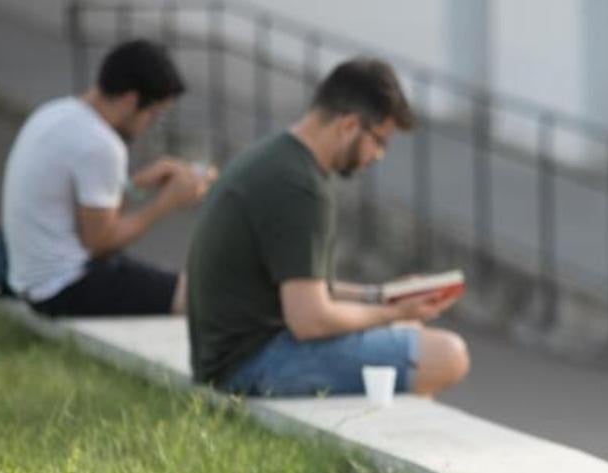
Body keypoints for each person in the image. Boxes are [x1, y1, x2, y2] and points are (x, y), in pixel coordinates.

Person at [187, 58, 469, 397]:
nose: (379, 155)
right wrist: (391, 313)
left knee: (407, 331)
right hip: (250, 366)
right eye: (380, 141)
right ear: (349, 125)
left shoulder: (274, 157)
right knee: (447, 355)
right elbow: (310, 319)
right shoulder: (302, 188)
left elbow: (305, 288)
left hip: (225, 358)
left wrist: (381, 296)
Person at [1, 39, 215, 316]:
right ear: (131, 100)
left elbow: (89, 216)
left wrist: (136, 186)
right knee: (198, 295)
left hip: (27, 277)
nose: (150, 125)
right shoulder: (101, 145)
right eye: (154, 115)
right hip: (62, 288)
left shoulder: (56, 112)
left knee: (167, 280)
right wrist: (167, 203)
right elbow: (101, 243)